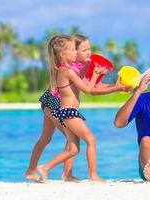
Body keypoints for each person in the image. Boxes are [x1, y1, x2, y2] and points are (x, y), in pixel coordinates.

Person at [25, 34, 131, 182]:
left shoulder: (77, 66)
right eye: (82, 49)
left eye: (90, 49)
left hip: (63, 106)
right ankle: (61, 173)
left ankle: (48, 170)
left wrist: (117, 87)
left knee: (69, 144)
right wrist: (114, 87)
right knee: (68, 140)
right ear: (71, 51)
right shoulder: (70, 68)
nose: (89, 52)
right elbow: (91, 89)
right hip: (54, 102)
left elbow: (93, 86)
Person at [35, 35, 107, 183]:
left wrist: (87, 66)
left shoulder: (63, 70)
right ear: (63, 54)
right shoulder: (66, 71)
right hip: (69, 113)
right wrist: (95, 75)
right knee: (91, 140)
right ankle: (93, 176)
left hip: (66, 112)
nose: (76, 52)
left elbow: (78, 78)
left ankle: (45, 168)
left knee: (73, 149)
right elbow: (87, 89)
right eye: (73, 49)